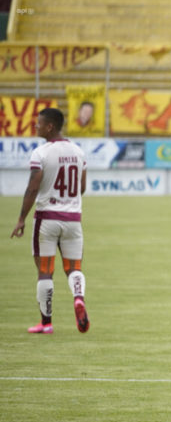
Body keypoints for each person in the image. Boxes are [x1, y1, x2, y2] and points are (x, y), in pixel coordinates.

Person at [10, 107, 90, 335]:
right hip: (73, 220)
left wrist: (21, 218)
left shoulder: (41, 153)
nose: (36, 126)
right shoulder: (78, 152)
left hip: (47, 219)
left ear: (50, 126)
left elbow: (33, 188)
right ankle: (78, 298)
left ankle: (46, 323)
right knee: (74, 268)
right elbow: (82, 187)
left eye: (39, 123)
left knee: (45, 271)